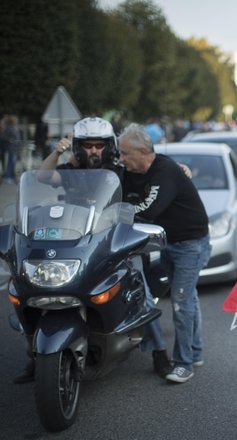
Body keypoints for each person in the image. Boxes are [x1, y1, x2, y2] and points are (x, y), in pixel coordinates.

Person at [12, 117, 172, 384]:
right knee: (35, 288)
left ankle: (160, 354)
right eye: (87, 145)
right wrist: (57, 151)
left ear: (109, 146)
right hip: (76, 240)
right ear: (78, 147)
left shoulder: (122, 170)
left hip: (111, 240)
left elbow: (151, 168)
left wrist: (178, 168)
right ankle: (36, 359)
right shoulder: (69, 169)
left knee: (139, 284)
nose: (94, 151)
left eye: (99, 145)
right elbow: (40, 178)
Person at [118, 123, 211, 384]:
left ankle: (184, 364)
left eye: (125, 153)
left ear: (141, 151)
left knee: (181, 302)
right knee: (188, 296)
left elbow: (149, 209)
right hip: (166, 243)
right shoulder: (130, 172)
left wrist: (118, 216)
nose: (121, 159)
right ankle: (196, 351)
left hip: (191, 244)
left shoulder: (165, 171)